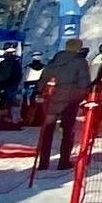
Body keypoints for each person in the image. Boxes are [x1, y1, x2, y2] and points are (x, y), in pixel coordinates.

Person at [36, 37, 91, 171]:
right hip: (70, 100)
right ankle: (64, 161)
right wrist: (82, 96)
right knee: (67, 131)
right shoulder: (80, 62)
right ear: (78, 48)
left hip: (52, 99)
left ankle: (43, 163)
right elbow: (84, 83)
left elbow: (43, 79)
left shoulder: (54, 61)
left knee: (47, 131)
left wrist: (40, 91)